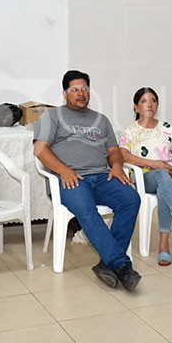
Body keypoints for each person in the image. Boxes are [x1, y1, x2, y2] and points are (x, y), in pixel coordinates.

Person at [33, 70, 142, 291]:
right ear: (65, 93)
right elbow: (40, 150)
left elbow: (113, 151)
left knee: (131, 199)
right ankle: (121, 265)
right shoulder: (51, 117)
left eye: (85, 89)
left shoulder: (101, 120)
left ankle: (106, 264)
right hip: (71, 179)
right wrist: (64, 170)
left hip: (102, 176)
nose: (81, 94)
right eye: (75, 90)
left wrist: (118, 165)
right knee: (86, 208)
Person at [118, 87, 172, 266]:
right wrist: (154, 164)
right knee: (160, 175)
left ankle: (164, 244)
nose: (149, 104)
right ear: (136, 107)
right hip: (146, 178)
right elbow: (124, 156)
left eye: (153, 100)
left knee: (164, 186)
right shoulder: (129, 131)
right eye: (144, 101)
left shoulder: (166, 127)